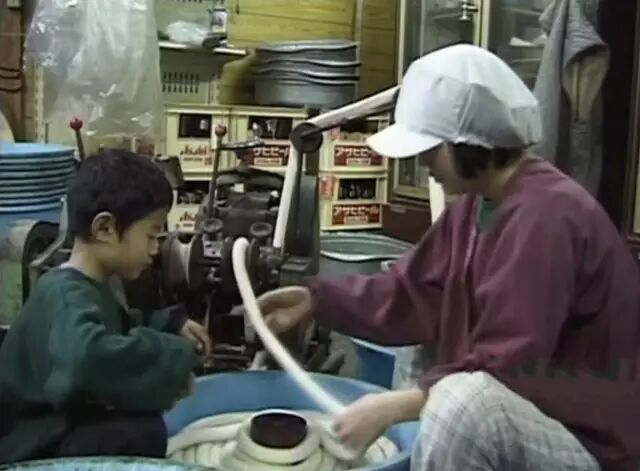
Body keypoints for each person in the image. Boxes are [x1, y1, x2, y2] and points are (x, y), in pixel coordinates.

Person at [256, 44, 640, 470]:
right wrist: (315, 301)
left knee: (458, 405)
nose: (423, 164)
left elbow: (511, 362)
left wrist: (393, 407)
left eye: (430, 149)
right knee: (425, 366)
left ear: (470, 144)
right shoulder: (475, 207)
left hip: (590, 442)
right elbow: (411, 293)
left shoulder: (547, 216)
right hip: (537, 415)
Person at [0, 149, 211, 463]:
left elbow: (116, 325)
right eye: (151, 235)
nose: (156, 249)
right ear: (105, 229)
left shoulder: (89, 285)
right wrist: (173, 358)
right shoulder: (66, 295)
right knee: (142, 433)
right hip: (30, 443)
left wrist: (170, 324)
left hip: (55, 423)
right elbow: (85, 359)